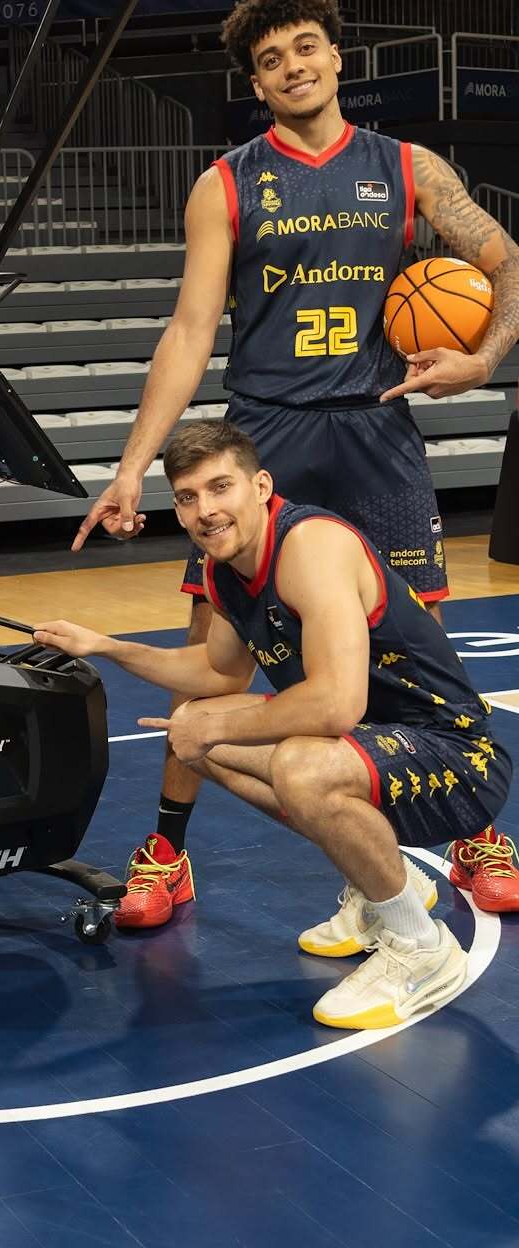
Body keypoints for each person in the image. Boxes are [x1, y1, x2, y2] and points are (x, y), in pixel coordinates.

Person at [72, 0, 519, 929]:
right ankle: (167, 853)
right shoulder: (226, 183)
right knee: (217, 658)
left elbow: (507, 260)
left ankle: (474, 831)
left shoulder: (409, 168)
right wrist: (131, 466)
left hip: (375, 430)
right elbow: (190, 330)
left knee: (420, 651)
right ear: (257, 84)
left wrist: (483, 360)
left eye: (306, 47)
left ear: (336, 57)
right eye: (271, 60)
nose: (292, 66)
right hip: (266, 432)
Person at [37, 423, 512, 1027]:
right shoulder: (225, 568)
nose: (206, 510)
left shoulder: (311, 546)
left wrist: (220, 730)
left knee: (295, 765)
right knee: (193, 725)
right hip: (375, 746)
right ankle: (386, 885)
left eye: (220, 487)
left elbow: (335, 705)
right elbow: (218, 671)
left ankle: (422, 948)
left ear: (260, 486)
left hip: (457, 756)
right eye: (188, 497)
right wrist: (106, 646)